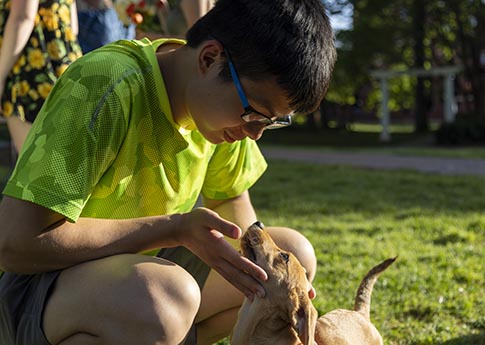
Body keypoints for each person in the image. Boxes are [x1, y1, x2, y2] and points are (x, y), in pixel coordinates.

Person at [0, 0, 337, 344]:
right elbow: (15, 243)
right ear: (209, 59)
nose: (255, 133)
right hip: (35, 289)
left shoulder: (223, 113)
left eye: (270, 122)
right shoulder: (104, 86)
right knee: (165, 299)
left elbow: (234, 205)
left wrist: (269, 274)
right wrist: (171, 229)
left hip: (137, 280)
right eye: (254, 114)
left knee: (290, 258)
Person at [0, 0, 82, 154]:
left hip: (32, 71)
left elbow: (23, 18)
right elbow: (73, 25)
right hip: (67, 63)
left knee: (37, 166)